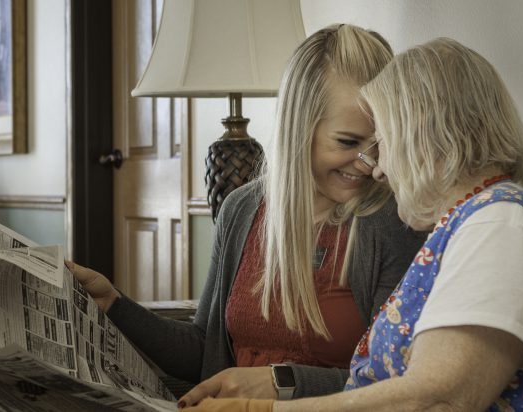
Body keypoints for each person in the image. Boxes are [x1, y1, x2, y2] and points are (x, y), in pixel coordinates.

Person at [182, 38, 523, 411]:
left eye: (383, 143)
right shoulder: (472, 223)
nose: (377, 169)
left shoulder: (501, 225)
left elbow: (439, 400)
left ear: (426, 136)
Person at [67, 24, 425, 402]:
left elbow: (398, 385)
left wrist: (280, 382)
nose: (369, 164)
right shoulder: (242, 209)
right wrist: (114, 305)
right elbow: (205, 352)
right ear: (298, 128)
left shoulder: (393, 221)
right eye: (348, 142)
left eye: (380, 142)